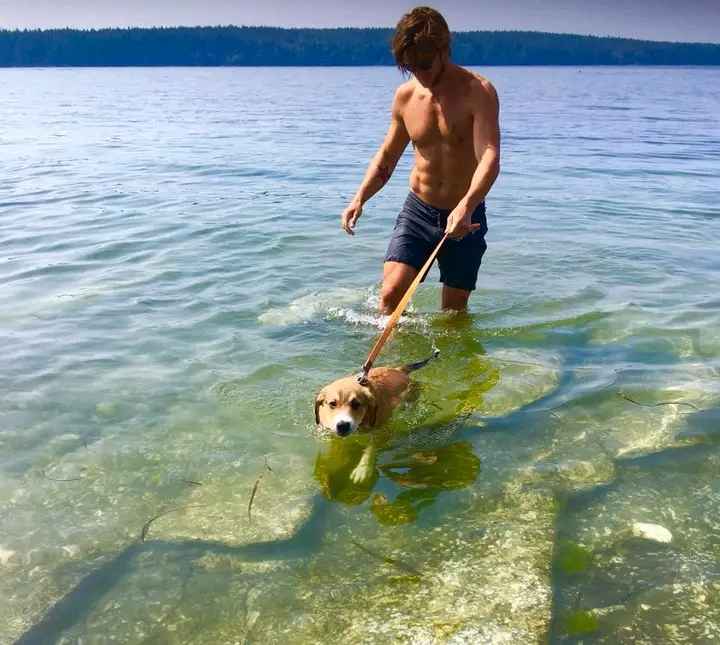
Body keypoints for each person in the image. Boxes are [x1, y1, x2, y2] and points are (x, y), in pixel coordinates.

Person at [340, 6, 500, 313]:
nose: (421, 75)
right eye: (412, 67)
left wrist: (466, 206)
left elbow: (490, 155)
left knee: (453, 315)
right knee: (390, 296)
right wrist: (359, 197)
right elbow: (388, 156)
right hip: (418, 211)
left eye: (426, 65)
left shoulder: (478, 92)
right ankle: (391, 360)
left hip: (466, 214)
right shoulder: (405, 97)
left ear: (444, 49)